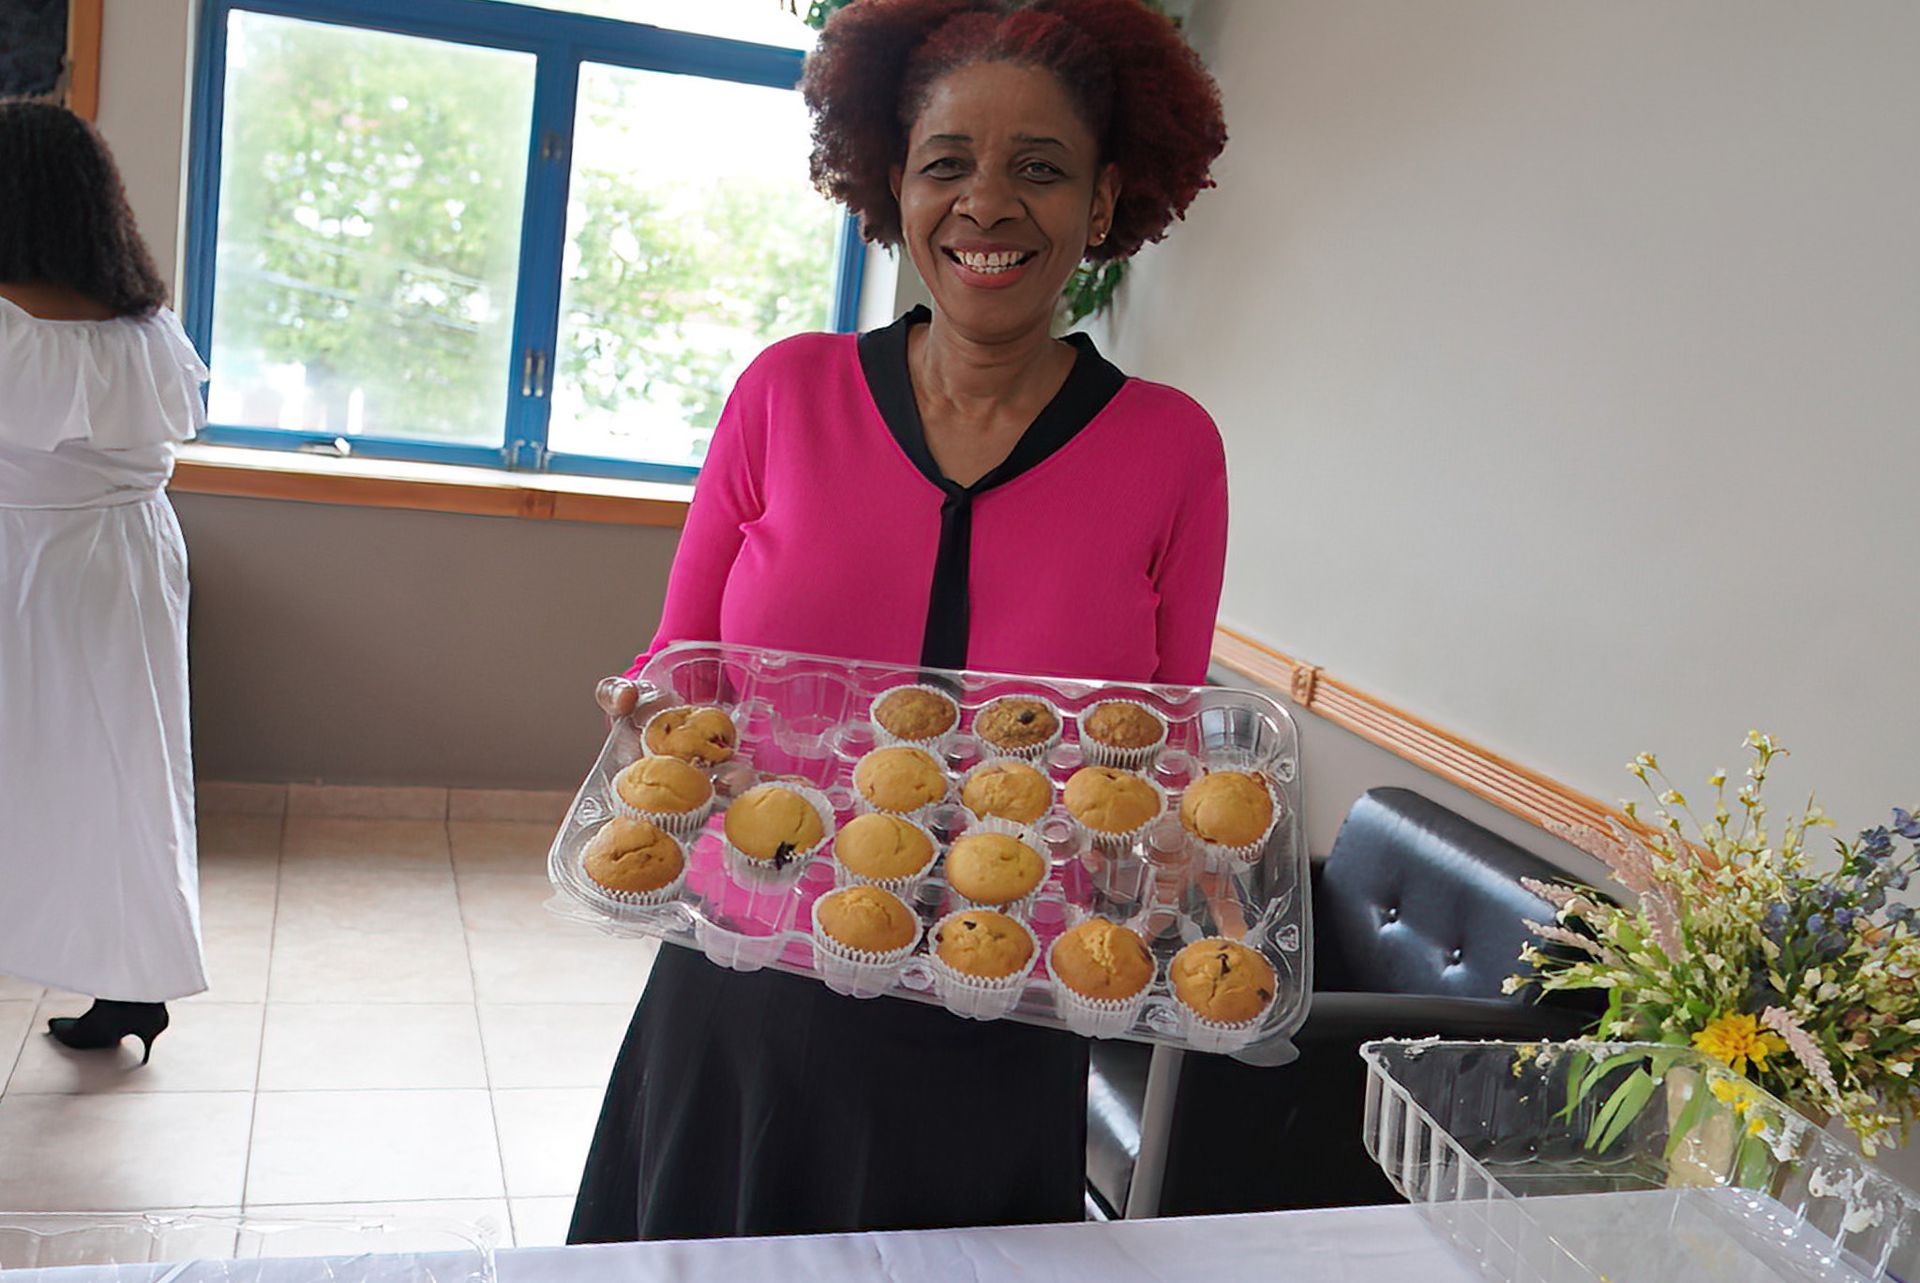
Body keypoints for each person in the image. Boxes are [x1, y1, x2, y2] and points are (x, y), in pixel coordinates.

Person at [570, 0, 1227, 1240]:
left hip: (1005, 998)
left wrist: (1175, 858)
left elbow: (1163, 744)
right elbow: (683, 662)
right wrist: (650, 704)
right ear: (891, 186)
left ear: (1102, 205)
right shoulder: (783, 393)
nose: (988, 204)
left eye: (1040, 168)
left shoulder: (1172, 448)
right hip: (749, 980)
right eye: (947, 164)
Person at [0, 99, 209, 1062]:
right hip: (134, 560)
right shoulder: (146, 325)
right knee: (126, 771)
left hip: (30, 564)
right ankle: (133, 983)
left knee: (31, 773)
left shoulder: (7, 325)